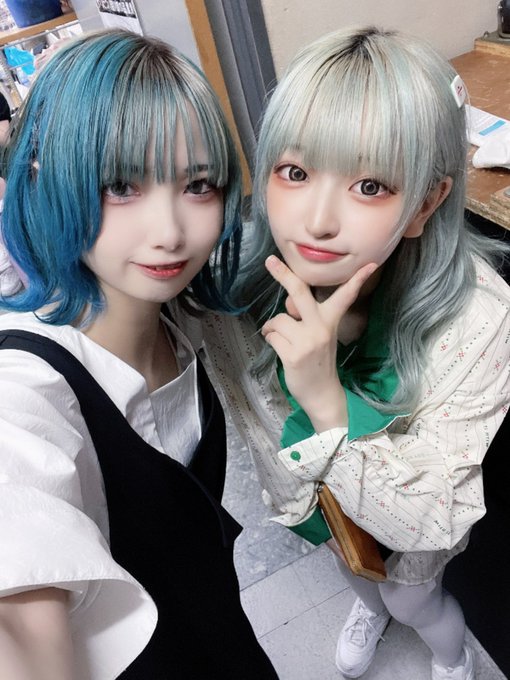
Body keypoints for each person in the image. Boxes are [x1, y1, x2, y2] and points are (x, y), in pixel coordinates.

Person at [179, 27, 510, 680]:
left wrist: (326, 401)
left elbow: (435, 518)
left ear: (426, 203)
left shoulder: (479, 316)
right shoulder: (234, 289)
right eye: (295, 173)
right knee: (353, 567)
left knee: (413, 598)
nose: (317, 220)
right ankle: (369, 603)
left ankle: (452, 658)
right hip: (313, 503)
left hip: (412, 530)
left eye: (370, 186)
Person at [0, 30, 278, 680]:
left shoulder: (181, 311)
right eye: (120, 185)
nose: (170, 232)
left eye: (198, 184)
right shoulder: (26, 388)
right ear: (43, 180)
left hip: (225, 634)